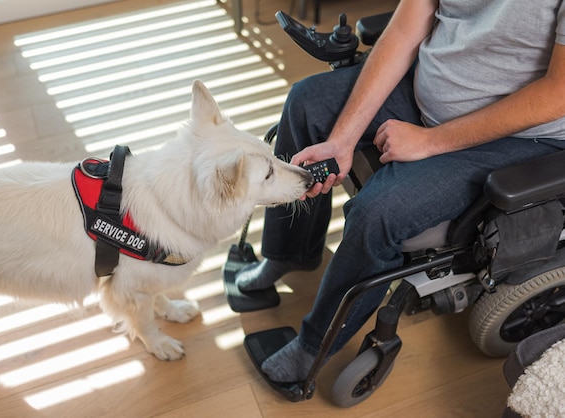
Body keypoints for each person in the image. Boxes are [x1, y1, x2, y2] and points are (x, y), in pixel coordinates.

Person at [235, 0, 565, 383]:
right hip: (432, 84)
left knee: (380, 211)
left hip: (519, 137)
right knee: (306, 104)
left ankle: (314, 345)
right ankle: (290, 251)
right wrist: (342, 139)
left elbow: (556, 95)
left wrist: (430, 141)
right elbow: (408, 27)